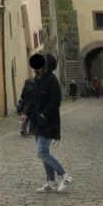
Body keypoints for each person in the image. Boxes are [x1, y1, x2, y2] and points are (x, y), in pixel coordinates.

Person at [23, 53, 72, 193]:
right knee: (43, 152)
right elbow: (31, 99)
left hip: (48, 122)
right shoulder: (38, 79)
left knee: (42, 152)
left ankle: (64, 175)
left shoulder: (52, 80)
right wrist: (26, 113)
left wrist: (44, 114)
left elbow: (55, 101)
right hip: (37, 122)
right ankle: (51, 181)